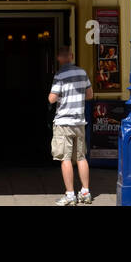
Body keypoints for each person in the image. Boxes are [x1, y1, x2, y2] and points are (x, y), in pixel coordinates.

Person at [48, 45, 93, 206]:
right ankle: (86, 192)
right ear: (71, 56)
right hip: (79, 121)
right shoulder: (82, 72)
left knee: (65, 158)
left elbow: (52, 99)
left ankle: (70, 195)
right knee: (81, 157)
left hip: (64, 122)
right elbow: (90, 95)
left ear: (59, 58)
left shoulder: (60, 75)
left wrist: (57, 95)